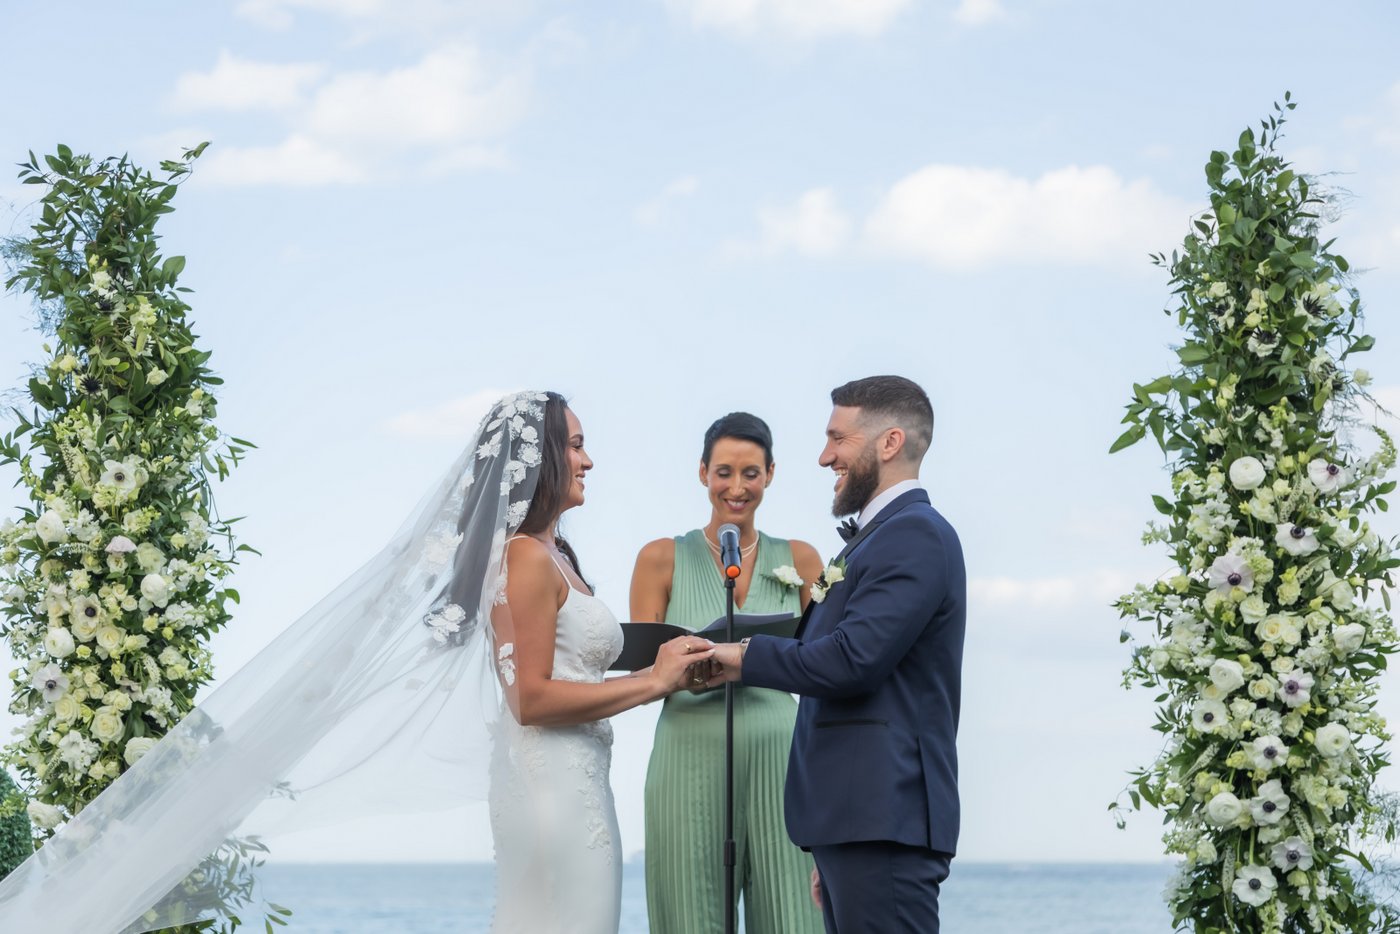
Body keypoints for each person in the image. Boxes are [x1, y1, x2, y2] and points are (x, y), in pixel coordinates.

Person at [0, 390, 711, 934]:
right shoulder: (525, 555)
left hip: (568, 779)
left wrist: (681, 661)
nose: (589, 459)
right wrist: (654, 681)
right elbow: (531, 697)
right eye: (577, 445)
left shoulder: (555, 554)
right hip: (555, 790)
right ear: (542, 458)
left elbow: (566, 668)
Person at [705, 376, 966, 934]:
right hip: (856, 825)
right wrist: (830, 846)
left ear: (889, 442)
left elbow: (851, 661)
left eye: (837, 439)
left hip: (883, 820)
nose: (825, 457)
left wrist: (740, 657)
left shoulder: (914, 534)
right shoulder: (873, 539)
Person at [630, 412, 825, 934]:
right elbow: (643, 676)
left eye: (750, 473)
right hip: (687, 758)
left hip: (781, 762)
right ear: (702, 473)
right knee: (688, 919)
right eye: (723, 472)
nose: (736, 488)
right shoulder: (660, 558)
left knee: (794, 920)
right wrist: (678, 671)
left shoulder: (803, 561)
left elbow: (826, 668)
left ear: (771, 474)